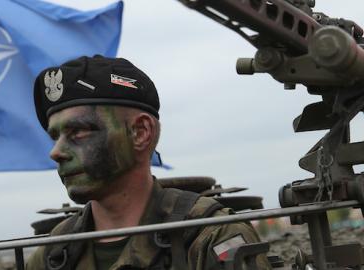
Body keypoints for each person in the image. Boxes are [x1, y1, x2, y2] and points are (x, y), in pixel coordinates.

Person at [26, 55, 271, 270]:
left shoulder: (210, 237)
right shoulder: (53, 254)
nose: (56, 152)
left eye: (78, 132)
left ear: (140, 132)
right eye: (55, 137)